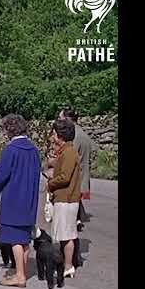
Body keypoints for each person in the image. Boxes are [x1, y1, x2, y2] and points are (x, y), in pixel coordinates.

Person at [0, 114, 41, 288]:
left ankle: (20, 276)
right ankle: (22, 272)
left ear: (9, 130)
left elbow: (1, 176)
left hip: (14, 198)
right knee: (24, 238)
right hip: (29, 199)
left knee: (15, 239)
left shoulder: (11, 150)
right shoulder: (34, 150)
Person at [47, 119, 82, 278]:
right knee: (65, 233)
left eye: (54, 133)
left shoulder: (69, 153)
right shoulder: (67, 151)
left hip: (66, 199)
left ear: (60, 135)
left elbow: (65, 177)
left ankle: (68, 266)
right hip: (66, 198)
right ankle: (66, 264)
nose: (52, 137)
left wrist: (50, 183)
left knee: (67, 234)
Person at [58, 109, 93, 232]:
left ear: (67, 119)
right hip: (82, 173)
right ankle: (77, 218)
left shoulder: (74, 136)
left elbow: (70, 157)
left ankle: (75, 221)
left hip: (75, 175)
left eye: (61, 118)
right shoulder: (83, 134)